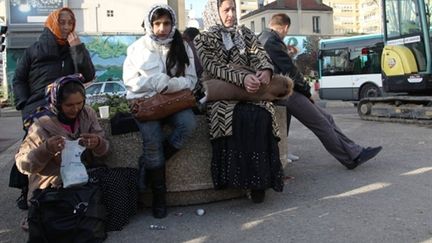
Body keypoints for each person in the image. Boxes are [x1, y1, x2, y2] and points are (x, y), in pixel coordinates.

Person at [15, 74, 138, 234]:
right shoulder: (40, 125)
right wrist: (46, 149)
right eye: (69, 105)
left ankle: (95, 221)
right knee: (69, 215)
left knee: (119, 182)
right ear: (56, 103)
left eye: (79, 103)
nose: (75, 109)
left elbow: (106, 150)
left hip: (82, 177)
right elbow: (23, 165)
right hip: (53, 185)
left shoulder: (87, 114)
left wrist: (97, 143)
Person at [258, 13, 382, 169]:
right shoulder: (272, 42)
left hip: (281, 91)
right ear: (285, 28)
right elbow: (290, 71)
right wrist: (307, 92)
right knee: (321, 123)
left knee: (327, 118)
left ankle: (355, 151)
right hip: (284, 92)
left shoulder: (264, 38)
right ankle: (350, 158)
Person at [194, 0, 284, 203]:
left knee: (262, 114)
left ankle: (260, 181)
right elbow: (213, 66)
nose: (231, 14)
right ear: (214, 12)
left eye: (233, 9)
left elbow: (259, 54)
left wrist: (266, 71)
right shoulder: (203, 38)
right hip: (221, 92)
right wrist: (241, 78)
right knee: (236, 116)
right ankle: (239, 179)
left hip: (250, 90)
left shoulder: (245, 33)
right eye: (226, 10)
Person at [11, 7, 95, 210]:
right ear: (52, 24)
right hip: (37, 106)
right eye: (62, 22)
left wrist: (77, 49)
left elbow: (89, 74)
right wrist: (24, 104)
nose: (66, 27)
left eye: (70, 23)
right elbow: (19, 79)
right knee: (33, 148)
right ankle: (28, 191)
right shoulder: (34, 50)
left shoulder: (73, 47)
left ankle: (66, 187)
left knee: (67, 148)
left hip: (65, 105)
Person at [122, 4, 197, 218]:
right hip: (146, 102)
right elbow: (129, 82)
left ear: (173, 24)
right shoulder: (137, 48)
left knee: (189, 124)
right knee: (152, 141)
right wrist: (154, 81)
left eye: (166, 23)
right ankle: (159, 197)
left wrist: (172, 85)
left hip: (174, 101)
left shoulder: (182, 46)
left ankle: (148, 163)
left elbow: (192, 80)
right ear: (150, 24)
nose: (162, 28)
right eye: (157, 23)